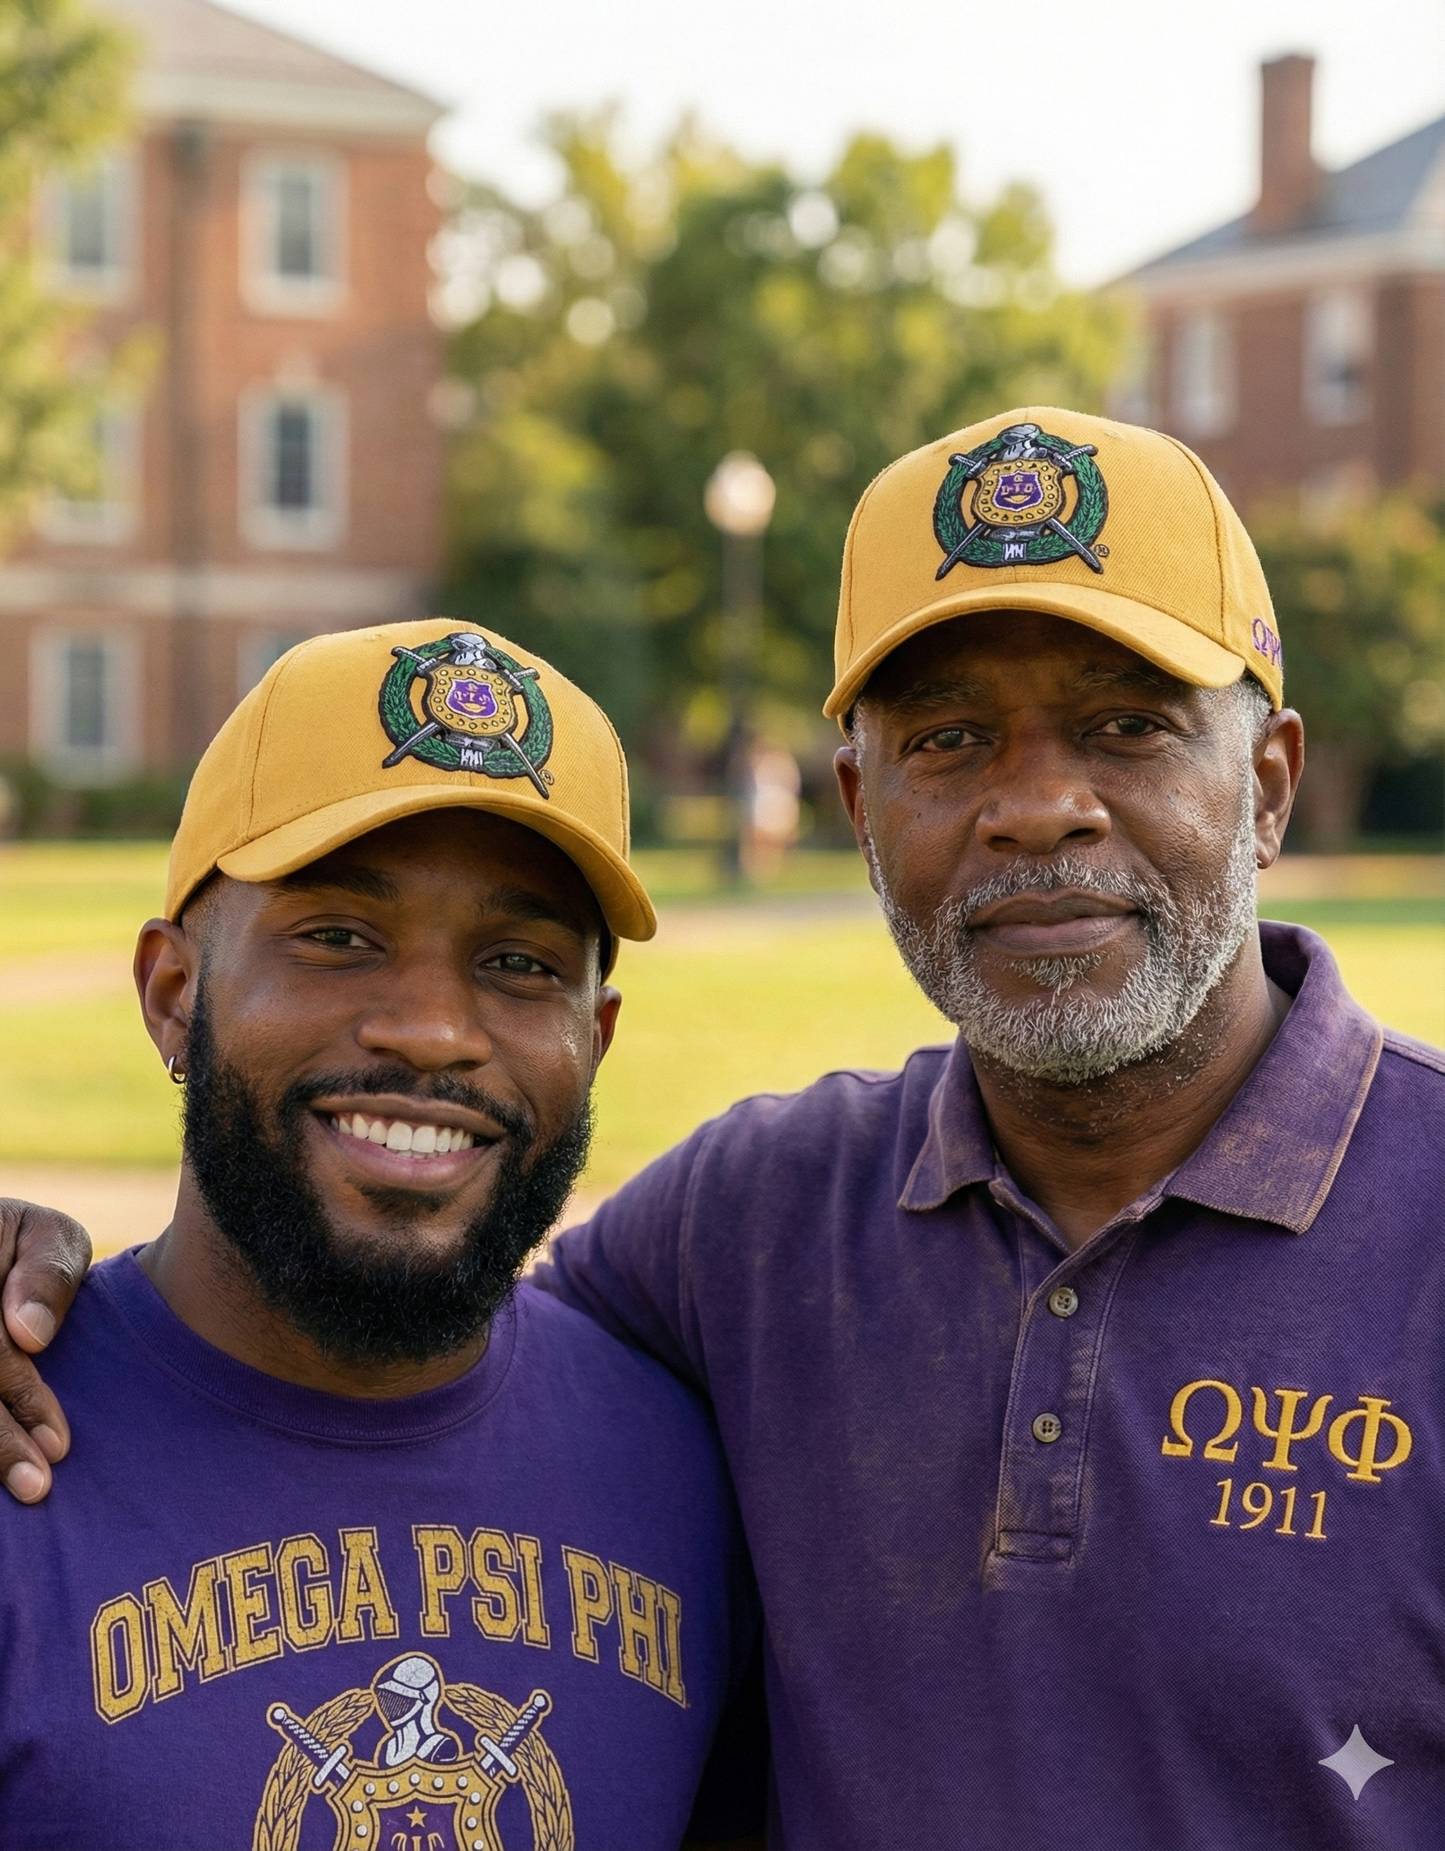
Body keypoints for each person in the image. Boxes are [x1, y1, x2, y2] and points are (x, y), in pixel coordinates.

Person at [5, 406, 1444, 1847]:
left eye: (1128, 724)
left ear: (1265, 783)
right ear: (861, 806)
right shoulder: (750, 1227)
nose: (1039, 806)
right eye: (947, 737)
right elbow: (378, 1306)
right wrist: (35, 1272)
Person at [0, 620, 763, 1850]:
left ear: (595, 1040)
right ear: (173, 993)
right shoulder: (21, 1439)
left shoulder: (690, 1464)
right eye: (339, 937)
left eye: (518, 964)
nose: (431, 1031)